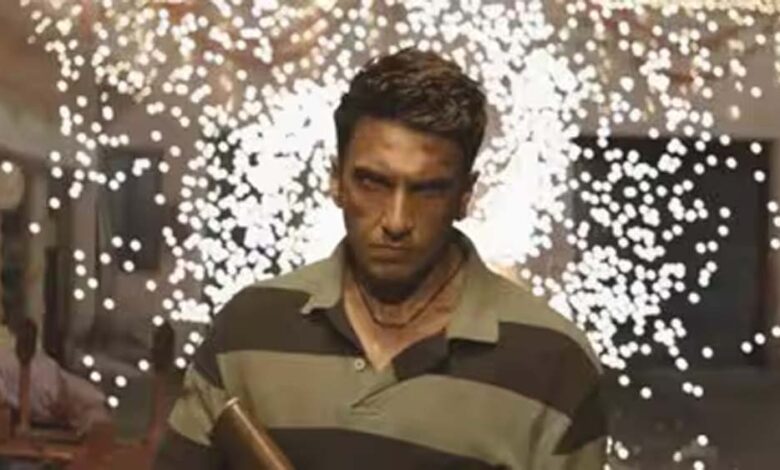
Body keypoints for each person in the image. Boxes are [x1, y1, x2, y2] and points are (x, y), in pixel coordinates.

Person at [155, 47, 606, 469]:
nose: (396, 220)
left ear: (465, 196)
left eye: (428, 190)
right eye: (373, 183)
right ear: (337, 181)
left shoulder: (554, 360)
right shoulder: (249, 327)